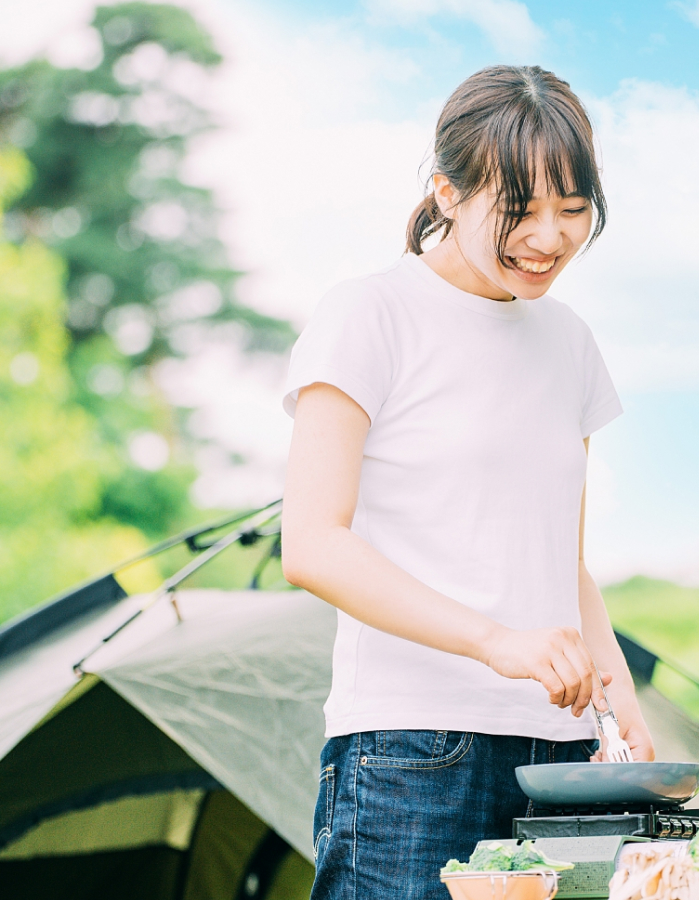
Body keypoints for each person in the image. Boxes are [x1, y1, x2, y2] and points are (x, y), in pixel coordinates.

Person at [279, 65, 655, 900]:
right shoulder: (367, 314)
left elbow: (565, 560)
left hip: (559, 758)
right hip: (412, 751)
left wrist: (621, 703)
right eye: (518, 211)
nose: (549, 239)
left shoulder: (570, 342)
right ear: (447, 192)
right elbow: (311, 545)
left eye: (572, 209)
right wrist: (499, 643)